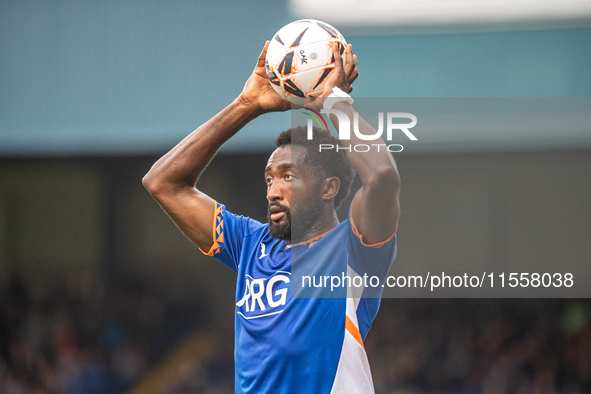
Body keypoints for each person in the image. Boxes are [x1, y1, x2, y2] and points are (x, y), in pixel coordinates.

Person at [143, 41, 400, 393]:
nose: (272, 191)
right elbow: (162, 182)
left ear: (328, 189)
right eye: (269, 178)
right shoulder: (251, 244)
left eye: (288, 176)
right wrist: (245, 105)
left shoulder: (354, 250)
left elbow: (383, 177)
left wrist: (335, 102)